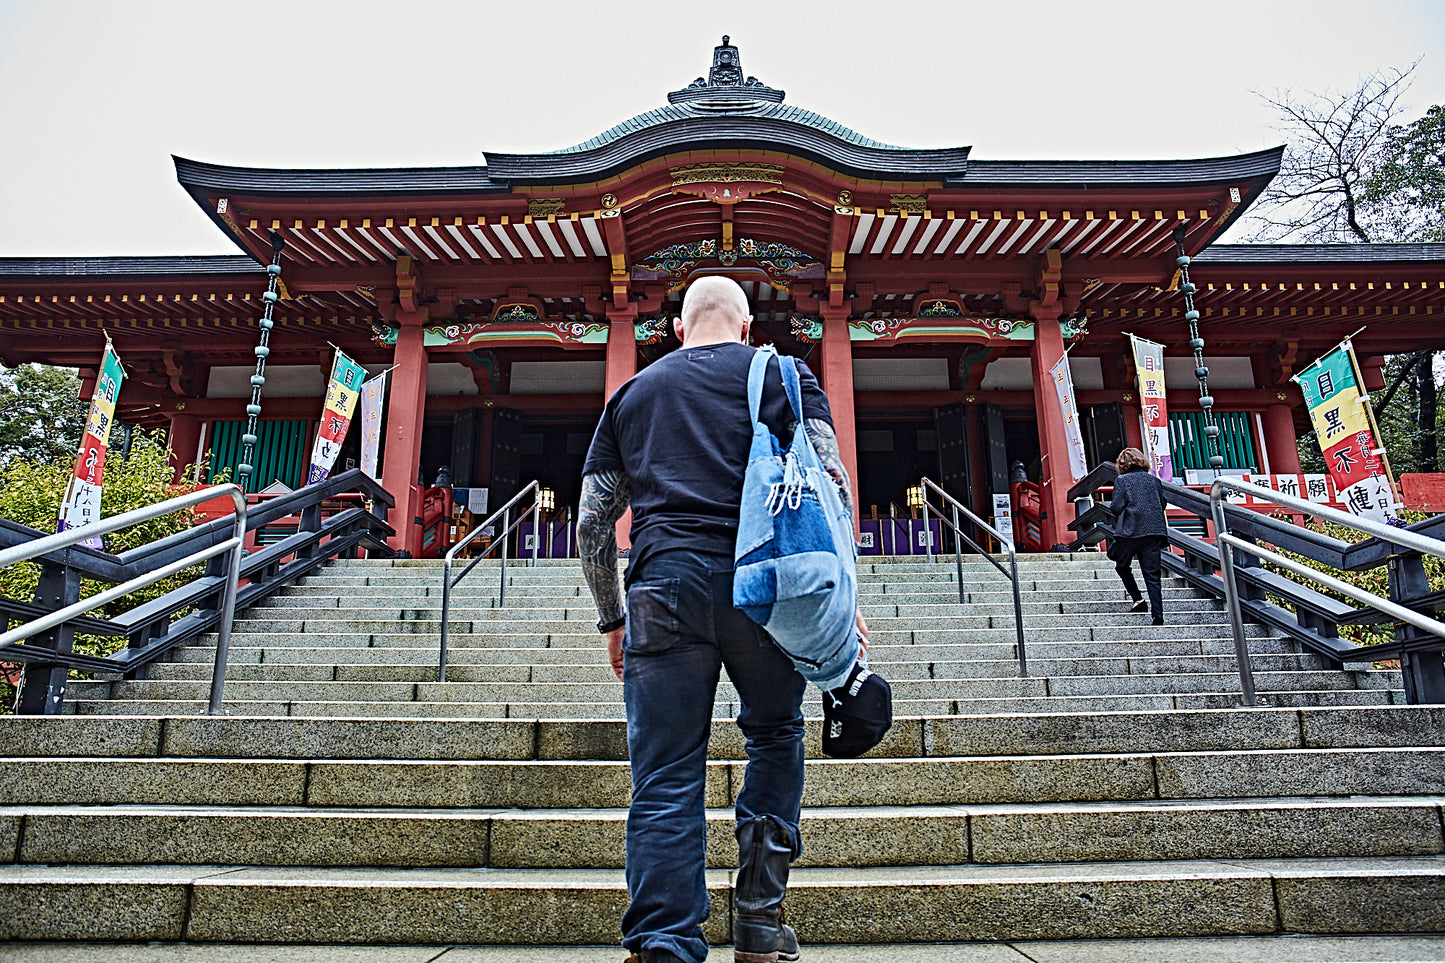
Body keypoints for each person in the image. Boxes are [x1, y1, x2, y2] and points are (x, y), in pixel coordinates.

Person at [578, 276, 860, 963]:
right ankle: (760, 920)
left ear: (675, 327)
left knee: (666, 769)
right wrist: (847, 609)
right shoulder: (783, 375)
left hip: (661, 588)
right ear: (743, 327)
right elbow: (831, 487)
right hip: (767, 586)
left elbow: (591, 520)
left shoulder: (633, 394)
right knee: (774, 731)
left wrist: (612, 616)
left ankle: (664, 943)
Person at [1108, 447, 1170, 625]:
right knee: (1152, 575)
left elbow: (1116, 506)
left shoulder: (1122, 480)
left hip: (1131, 532)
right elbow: (1162, 503)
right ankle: (1157, 614)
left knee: (1122, 565)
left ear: (1122, 464)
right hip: (1153, 532)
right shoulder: (1153, 481)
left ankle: (1138, 599)